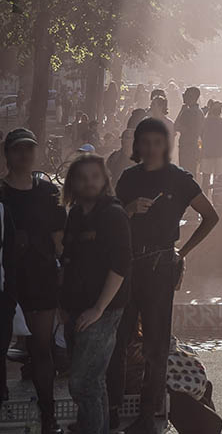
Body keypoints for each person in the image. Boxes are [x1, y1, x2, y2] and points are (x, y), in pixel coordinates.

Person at [109, 117, 219, 434]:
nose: (152, 148)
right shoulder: (128, 178)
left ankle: (148, 414)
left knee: (156, 346)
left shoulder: (180, 179)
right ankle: (113, 410)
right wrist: (128, 210)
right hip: (130, 264)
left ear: (166, 145)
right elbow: (112, 222)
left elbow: (211, 217)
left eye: (158, 142)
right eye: (146, 142)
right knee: (120, 339)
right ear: (138, 145)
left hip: (161, 264)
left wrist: (181, 252)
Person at [61, 152, 132, 434]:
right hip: (76, 307)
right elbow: (68, 259)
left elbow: (121, 265)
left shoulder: (113, 214)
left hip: (103, 309)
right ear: (73, 183)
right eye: (82, 178)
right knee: (94, 380)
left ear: (104, 180)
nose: (89, 183)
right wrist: (62, 303)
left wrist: (99, 308)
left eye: (94, 176)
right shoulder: (75, 215)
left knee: (82, 382)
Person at [1, 128, 66, 432]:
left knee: (42, 349)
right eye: (18, 149)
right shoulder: (1, 193)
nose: (24, 155)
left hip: (41, 279)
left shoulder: (48, 192)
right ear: (8, 154)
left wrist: (65, 273)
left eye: (29, 148)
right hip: (7, 281)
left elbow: (59, 239)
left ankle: (48, 415)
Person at [175, 86, 204, 175]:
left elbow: (176, 127)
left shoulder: (188, 112)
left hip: (186, 148)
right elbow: (200, 135)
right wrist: (200, 149)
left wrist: (181, 111)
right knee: (192, 173)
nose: (183, 96)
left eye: (185, 94)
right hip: (194, 147)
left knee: (184, 174)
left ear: (191, 97)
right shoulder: (199, 112)